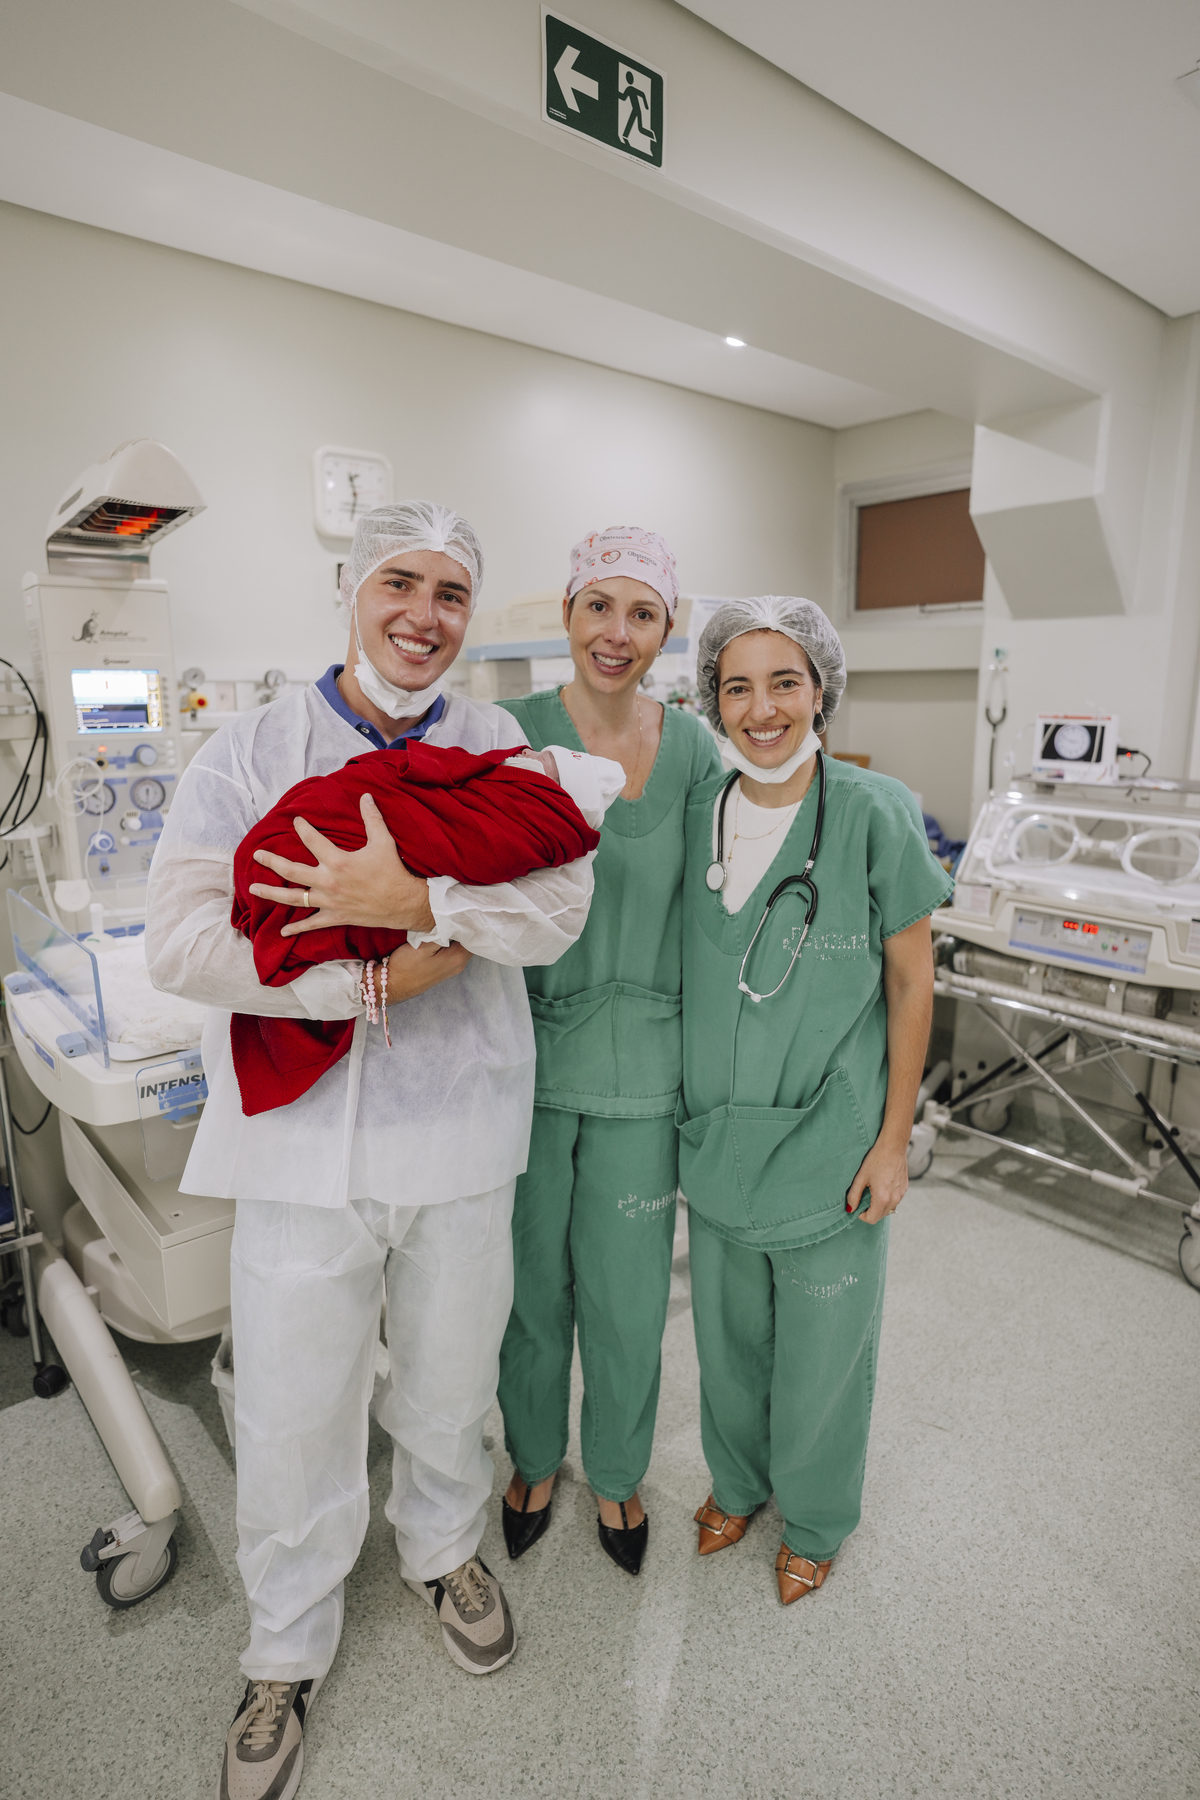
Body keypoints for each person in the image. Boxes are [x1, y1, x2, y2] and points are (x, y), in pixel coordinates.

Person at [145, 502, 622, 1800]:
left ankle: (442, 1550)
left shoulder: (500, 745)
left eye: (451, 593)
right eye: (400, 584)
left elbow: (558, 906)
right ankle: (283, 1647)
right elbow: (181, 942)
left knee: (452, 1379)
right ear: (353, 591)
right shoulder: (251, 750)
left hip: (461, 1126)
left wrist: (416, 899)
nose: (425, 615)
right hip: (300, 1148)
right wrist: (354, 982)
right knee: (294, 1405)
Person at [677, 597, 953, 1605]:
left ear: (821, 689)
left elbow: (913, 986)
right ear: (712, 699)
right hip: (717, 1141)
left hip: (832, 1147)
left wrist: (894, 1140)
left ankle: (818, 1517)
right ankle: (737, 1485)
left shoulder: (875, 813)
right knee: (727, 1345)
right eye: (737, 686)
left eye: (784, 682)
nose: (762, 708)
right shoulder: (699, 813)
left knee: (824, 1355)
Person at [495, 525, 720, 1576]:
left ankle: (619, 1473)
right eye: (599, 606)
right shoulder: (511, 732)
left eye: (642, 613)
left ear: (667, 630)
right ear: (568, 613)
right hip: (526, 1065)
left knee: (630, 1297)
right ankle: (534, 1459)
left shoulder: (695, 751)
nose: (616, 632)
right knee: (529, 1285)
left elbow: (720, 910)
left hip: (646, 1072)